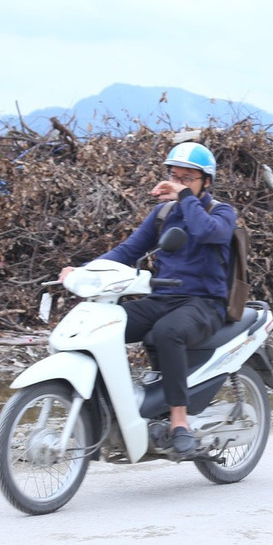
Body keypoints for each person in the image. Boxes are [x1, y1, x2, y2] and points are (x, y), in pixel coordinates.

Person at [58, 142, 236, 454]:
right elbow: (127, 252)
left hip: (205, 303)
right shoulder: (162, 214)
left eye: (187, 178)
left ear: (206, 181)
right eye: (174, 176)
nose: (178, 182)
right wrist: (84, 271)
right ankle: (111, 405)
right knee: (103, 325)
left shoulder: (220, 212)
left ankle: (179, 421)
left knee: (167, 332)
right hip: (163, 298)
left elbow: (207, 231)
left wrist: (182, 196)